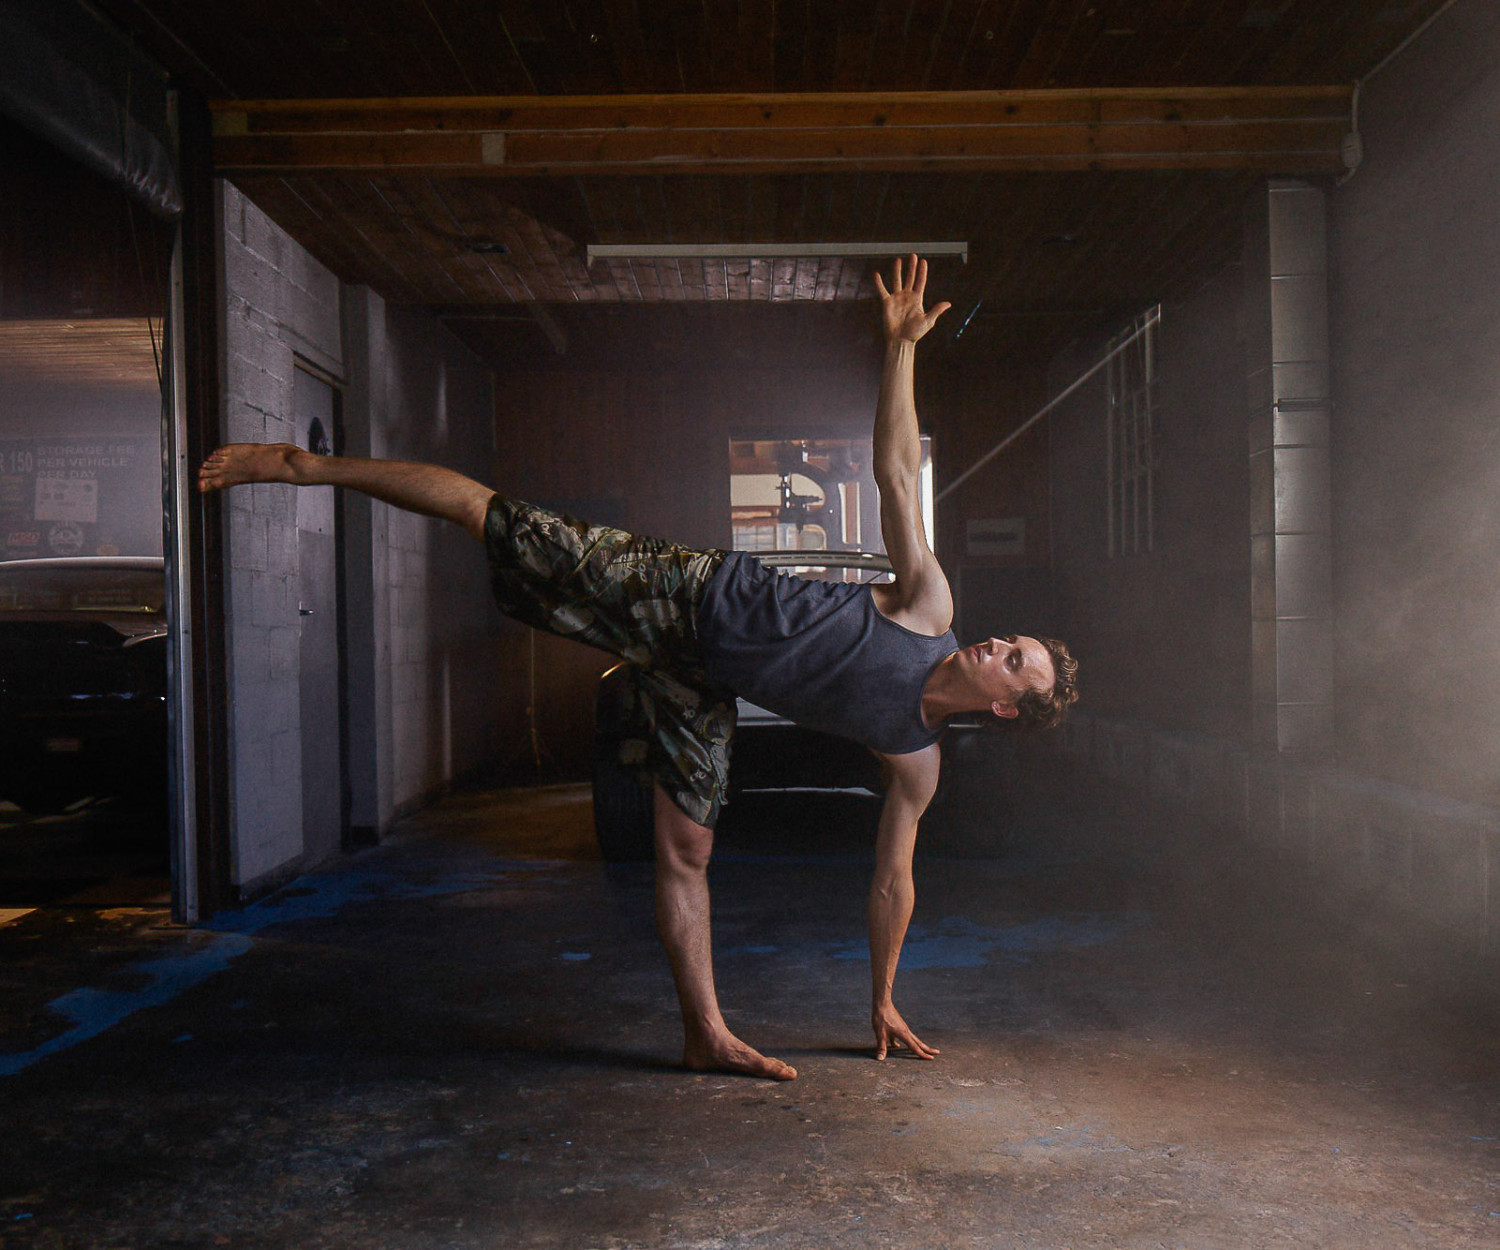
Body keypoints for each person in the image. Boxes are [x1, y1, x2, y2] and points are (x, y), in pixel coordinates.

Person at [198, 255, 1079, 1082]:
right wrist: (898, 350)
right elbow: (893, 472)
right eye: (1011, 642)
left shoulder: (916, 762)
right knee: (492, 516)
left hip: (705, 680)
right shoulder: (930, 606)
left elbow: (894, 879)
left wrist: (883, 995)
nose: (996, 649)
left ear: (1005, 708)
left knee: (688, 846)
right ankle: (305, 465)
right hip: (686, 595)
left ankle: (703, 1034)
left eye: (1015, 665)